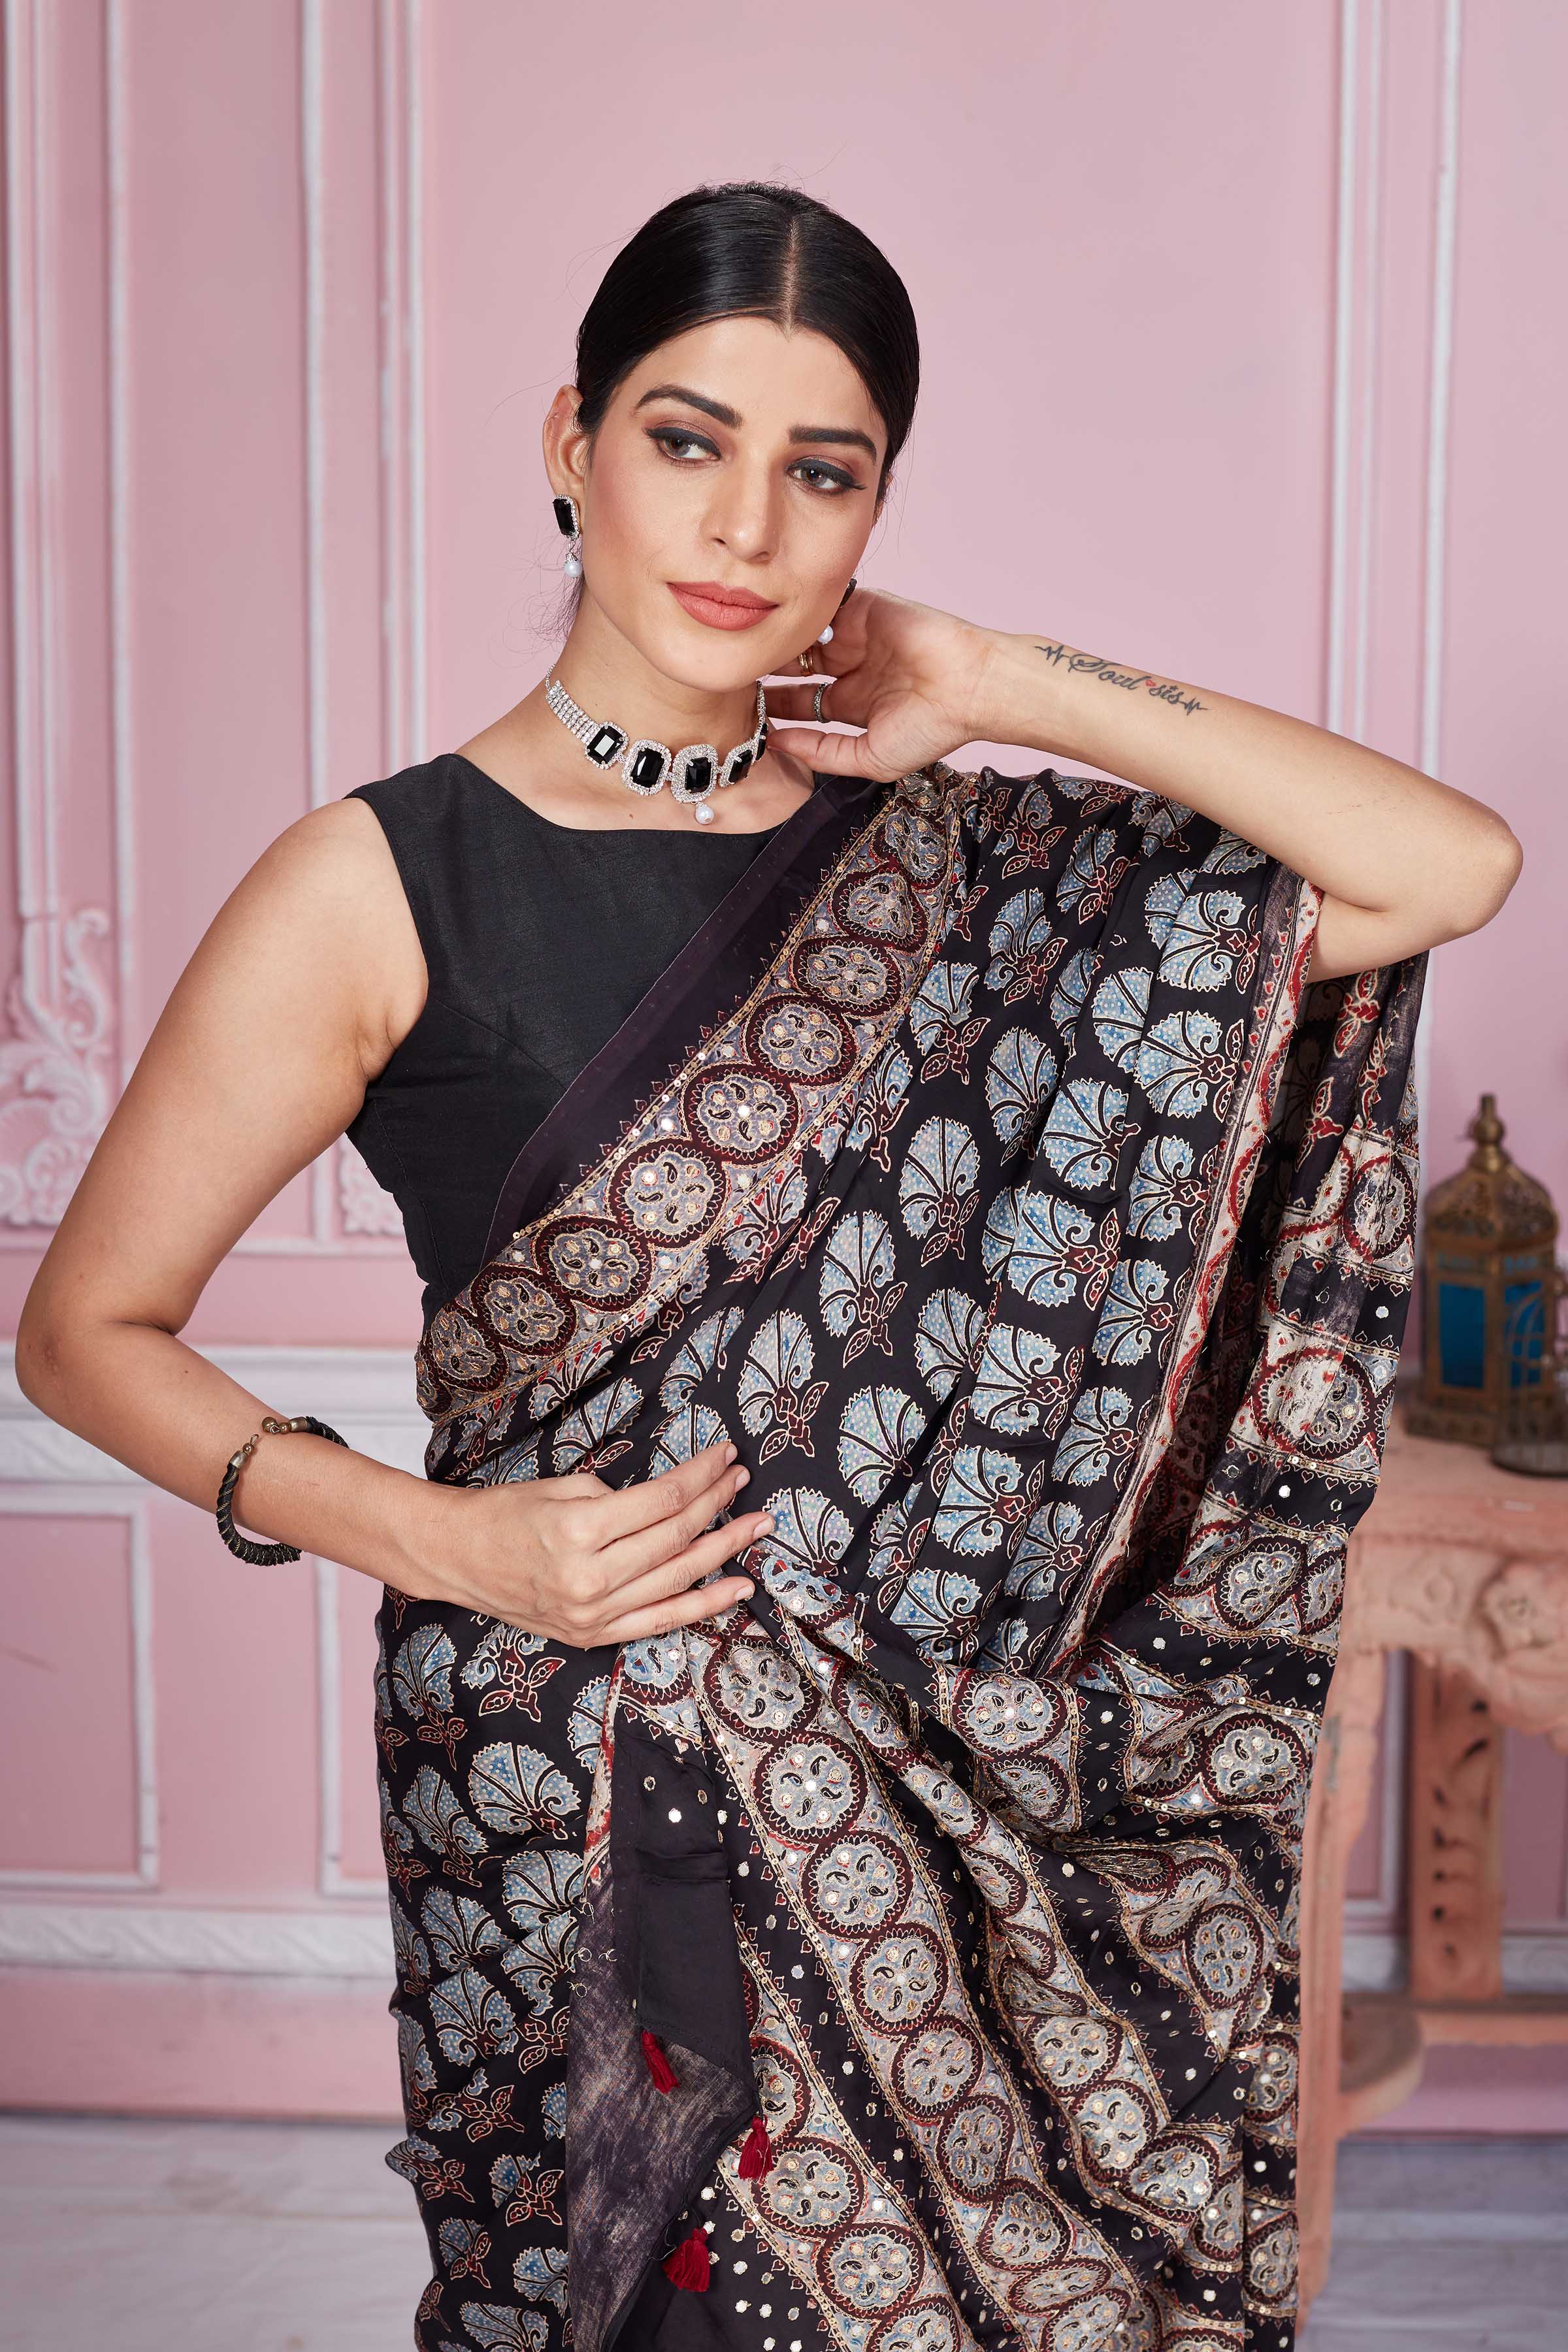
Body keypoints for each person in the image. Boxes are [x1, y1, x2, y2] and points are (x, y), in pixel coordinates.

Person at [16, 180, 1520, 2352]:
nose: (745, 524)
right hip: (576, 1763)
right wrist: (446, 1540)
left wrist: (993, 678)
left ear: (876, 510)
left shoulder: (961, 865)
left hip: (957, 1803)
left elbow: (1443, 864)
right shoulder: (379, 883)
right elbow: (82, 1333)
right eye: (686, 439)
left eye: (825, 471)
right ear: (571, 444)